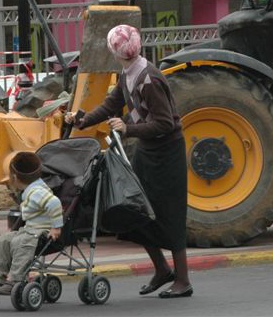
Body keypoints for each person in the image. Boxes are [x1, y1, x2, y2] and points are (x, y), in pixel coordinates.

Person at [65, 24, 193, 298]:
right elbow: (111, 104)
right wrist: (83, 119)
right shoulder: (128, 74)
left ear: (115, 51)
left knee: (170, 215)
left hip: (167, 154)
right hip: (148, 152)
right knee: (137, 208)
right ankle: (162, 269)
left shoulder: (150, 79)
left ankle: (183, 281)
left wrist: (128, 129)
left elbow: (165, 124)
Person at [0, 151, 63, 295]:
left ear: (14, 177)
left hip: (42, 231)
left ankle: (15, 279)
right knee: (5, 239)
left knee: (21, 242)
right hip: (31, 229)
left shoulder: (37, 191)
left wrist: (56, 228)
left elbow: (54, 203)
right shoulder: (31, 190)